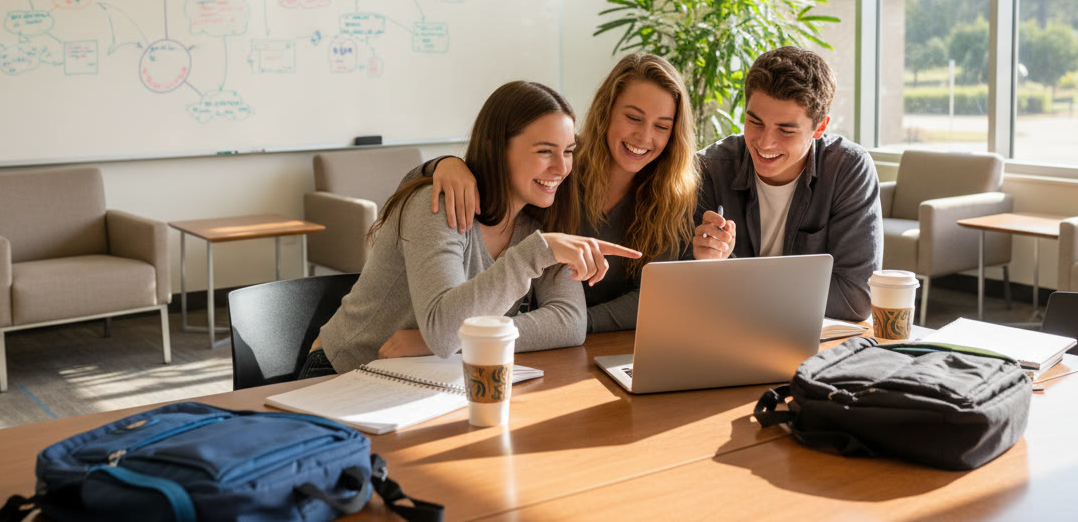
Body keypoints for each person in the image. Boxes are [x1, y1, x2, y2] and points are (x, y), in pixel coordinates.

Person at [302, 81, 641, 377]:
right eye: (544, 152)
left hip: (433, 375)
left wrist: (450, 341)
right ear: (496, 148)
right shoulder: (438, 204)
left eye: (568, 152)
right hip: (344, 372)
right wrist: (532, 255)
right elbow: (445, 332)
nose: (561, 167)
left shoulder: (538, 220)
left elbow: (569, 323)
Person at [426, 53, 699, 332]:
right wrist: (442, 164)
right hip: (524, 332)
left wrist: (572, 324)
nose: (644, 137)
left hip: (570, 338)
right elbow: (485, 169)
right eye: (633, 118)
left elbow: (651, 299)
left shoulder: (671, 197)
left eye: (662, 127)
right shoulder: (561, 164)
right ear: (606, 111)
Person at [691, 46, 881, 322]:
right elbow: (687, 287)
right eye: (754, 121)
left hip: (814, 342)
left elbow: (855, 299)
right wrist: (705, 267)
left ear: (819, 128)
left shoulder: (848, 169)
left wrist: (730, 277)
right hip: (725, 329)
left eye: (785, 130)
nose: (765, 143)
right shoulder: (710, 168)